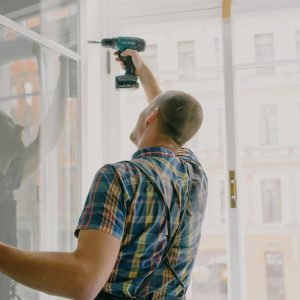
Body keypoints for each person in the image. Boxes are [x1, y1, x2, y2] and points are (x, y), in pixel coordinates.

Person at [0, 49, 208, 300]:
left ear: (151, 116)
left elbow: (84, 280)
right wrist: (141, 71)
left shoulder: (120, 178)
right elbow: (173, 120)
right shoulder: (195, 174)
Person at [0, 56, 69, 299]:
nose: (19, 126)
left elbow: (47, 139)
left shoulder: (8, 176)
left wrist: (64, 78)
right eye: (8, 123)